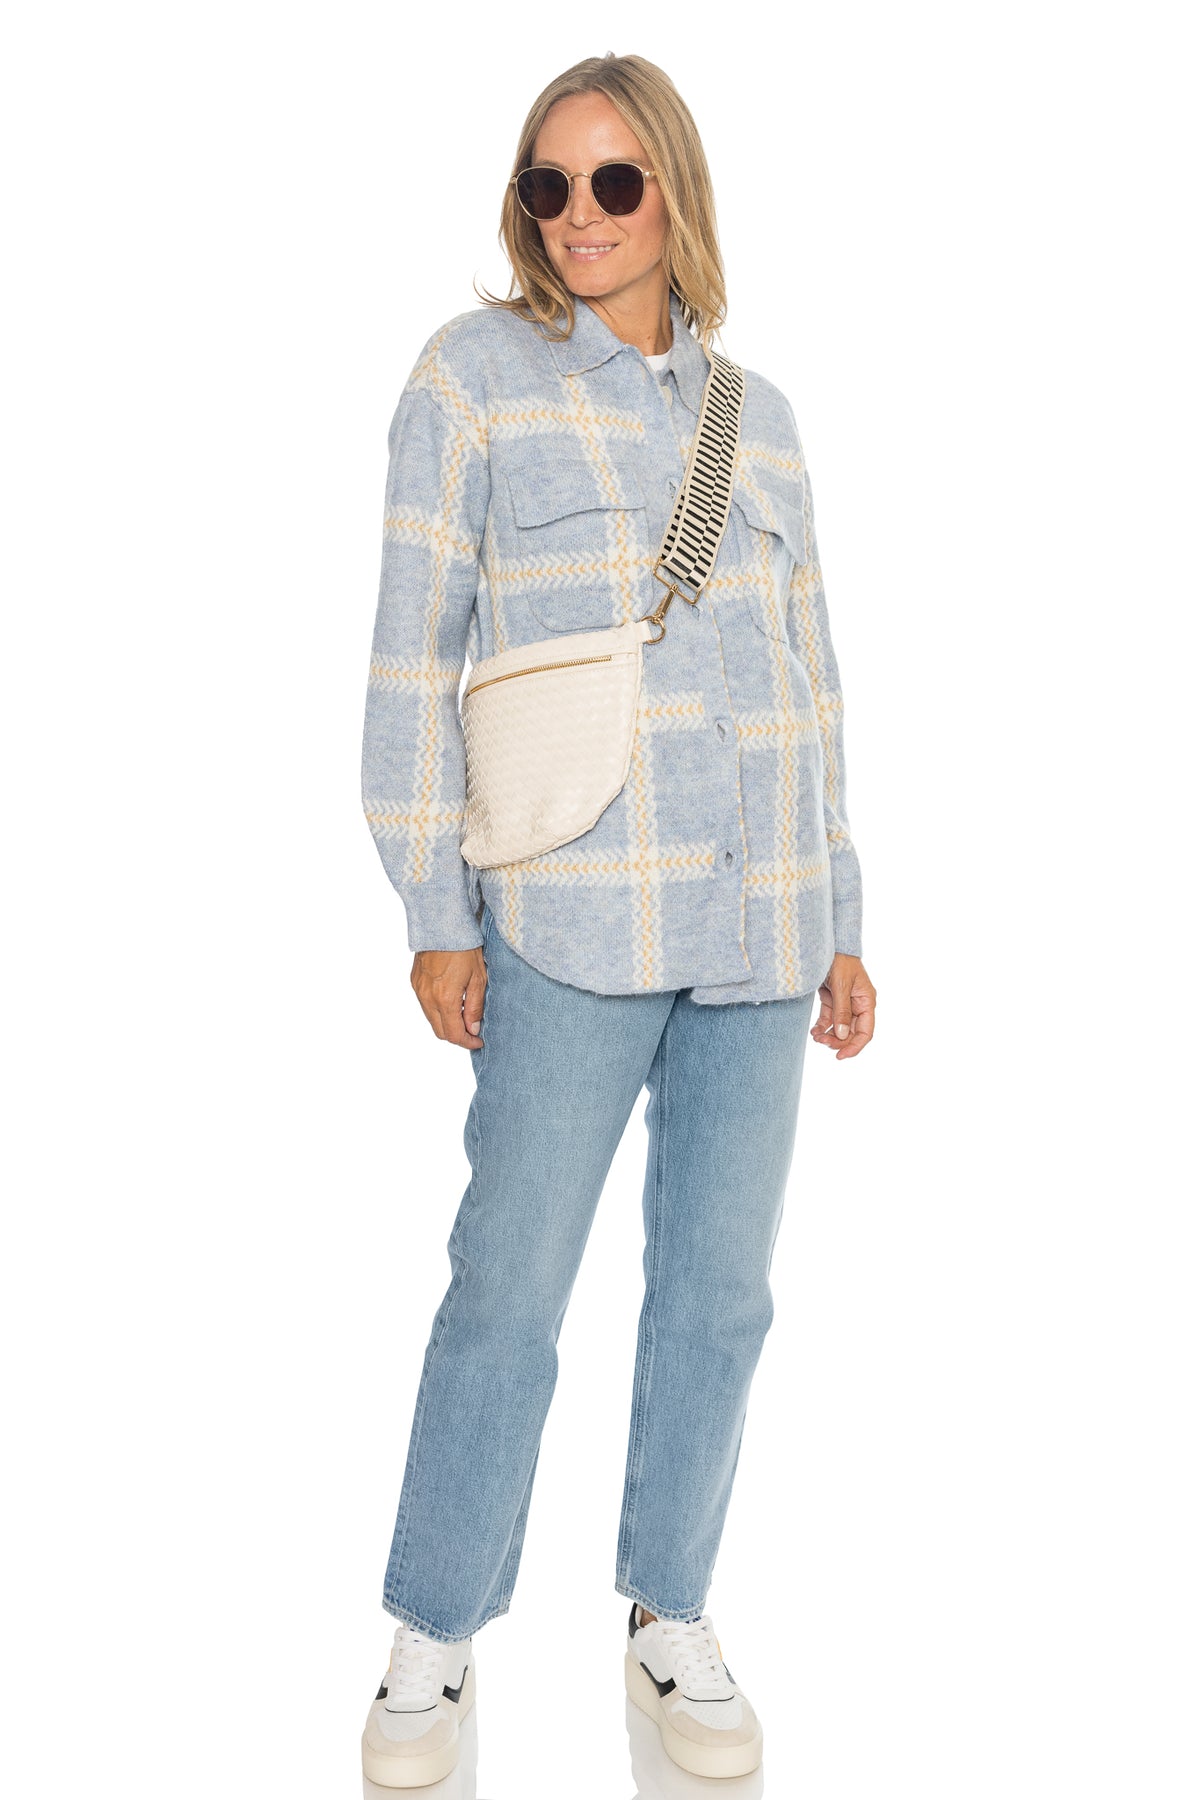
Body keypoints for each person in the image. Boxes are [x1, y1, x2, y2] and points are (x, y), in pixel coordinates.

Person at [358, 51, 877, 1789]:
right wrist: (434, 907)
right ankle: (435, 1628)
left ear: (674, 195)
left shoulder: (761, 420)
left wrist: (841, 908)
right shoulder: (470, 379)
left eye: (614, 182)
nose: (578, 215)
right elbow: (411, 656)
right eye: (548, 185)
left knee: (721, 1297)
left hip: (760, 918)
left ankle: (671, 1611)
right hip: (565, 915)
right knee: (506, 1289)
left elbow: (807, 675)